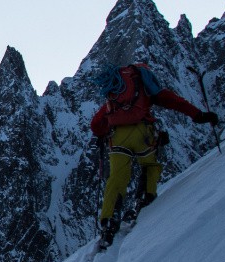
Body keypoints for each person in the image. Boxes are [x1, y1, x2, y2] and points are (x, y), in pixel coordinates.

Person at [90, 62, 218, 249]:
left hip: (118, 139)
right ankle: (144, 200)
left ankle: (108, 222)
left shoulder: (114, 96)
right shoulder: (145, 87)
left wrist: (104, 132)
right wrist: (198, 115)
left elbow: (96, 124)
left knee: (117, 178)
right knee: (150, 165)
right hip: (143, 133)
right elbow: (172, 101)